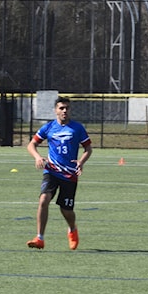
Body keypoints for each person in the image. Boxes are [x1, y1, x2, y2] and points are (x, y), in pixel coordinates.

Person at [26, 96, 92, 250]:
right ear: (55, 110)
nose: (64, 111)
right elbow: (32, 144)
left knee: (66, 210)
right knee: (43, 200)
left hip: (69, 174)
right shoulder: (48, 127)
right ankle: (39, 238)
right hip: (52, 171)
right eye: (61, 108)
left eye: (67, 108)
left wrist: (81, 162)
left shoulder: (77, 128)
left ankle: (72, 230)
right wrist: (37, 157)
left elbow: (88, 148)